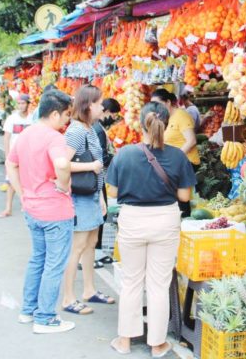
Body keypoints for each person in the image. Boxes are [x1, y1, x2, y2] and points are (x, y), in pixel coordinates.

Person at [106, 102, 196, 358]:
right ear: (166, 126)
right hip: (165, 221)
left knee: (131, 282)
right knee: (158, 284)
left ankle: (125, 340)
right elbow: (185, 196)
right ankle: (157, 344)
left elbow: (112, 192)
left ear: (141, 123)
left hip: (133, 220)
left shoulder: (124, 154)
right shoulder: (178, 156)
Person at [6, 89, 76, 334]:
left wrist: (22, 193)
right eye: (67, 115)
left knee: (38, 259)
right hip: (55, 210)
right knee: (54, 265)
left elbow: (11, 164)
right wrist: (63, 184)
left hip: (32, 208)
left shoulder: (25, 134)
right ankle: (45, 318)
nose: (68, 120)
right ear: (55, 113)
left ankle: (28, 310)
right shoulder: (54, 137)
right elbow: (62, 164)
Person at [61, 85, 113, 315]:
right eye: (99, 102)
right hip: (79, 197)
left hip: (91, 195)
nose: (103, 106)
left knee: (91, 243)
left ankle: (89, 290)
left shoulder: (90, 128)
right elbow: (62, 164)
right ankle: (68, 298)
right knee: (78, 247)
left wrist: (100, 198)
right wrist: (90, 166)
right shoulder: (76, 131)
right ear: (88, 105)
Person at [92, 98, 121, 266]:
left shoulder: (97, 128)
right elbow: (101, 157)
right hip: (99, 177)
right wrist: (116, 157)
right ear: (107, 112)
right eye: (114, 114)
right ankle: (93, 253)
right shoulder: (99, 130)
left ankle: (98, 252)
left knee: (101, 214)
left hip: (99, 177)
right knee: (100, 214)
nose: (114, 118)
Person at [0, 94, 33, 218]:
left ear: (28, 104)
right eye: (19, 103)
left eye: (23, 103)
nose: (20, 106)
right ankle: (8, 208)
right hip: (15, 155)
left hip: (29, 155)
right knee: (10, 181)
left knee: (27, 181)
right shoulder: (11, 119)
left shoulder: (32, 119)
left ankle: (26, 205)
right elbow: (7, 137)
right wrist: (7, 155)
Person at [151, 88, 199, 167]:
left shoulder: (181, 115)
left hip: (186, 163)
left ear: (168, 102)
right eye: (154, 105)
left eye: (158, 104)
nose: (156, 107)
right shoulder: (166, 117)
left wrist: (175, 158)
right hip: (174, 163)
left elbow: (192, 141)